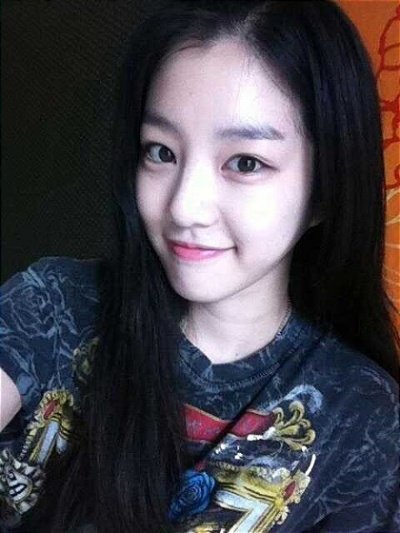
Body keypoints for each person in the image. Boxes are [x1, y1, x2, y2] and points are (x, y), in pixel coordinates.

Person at [0, 0, 399, 531]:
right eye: (161, 152)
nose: (184, 206)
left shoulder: (361, 417)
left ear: (326, 190)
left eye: (246, 162)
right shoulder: (54, 307)